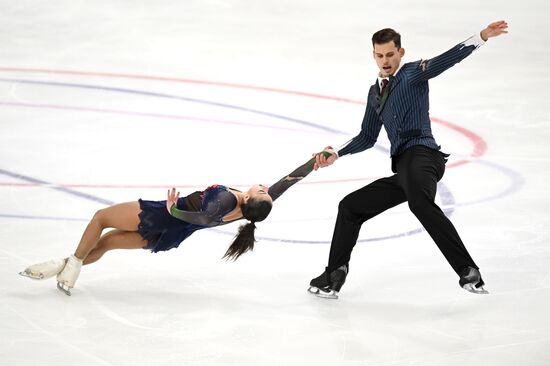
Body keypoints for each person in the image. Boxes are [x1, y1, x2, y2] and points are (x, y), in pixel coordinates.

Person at [308, 21, 509, 299]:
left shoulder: (413, 73)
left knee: (419, 203)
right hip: (404, 170)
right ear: (373, 55)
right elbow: (367, 136)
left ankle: (467, 270)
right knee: (351, 207)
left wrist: (481, 37)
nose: (385, 61)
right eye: (379, 55)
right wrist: (336, 153)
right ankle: (334, 273)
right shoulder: (374, 93)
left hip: (423, 156)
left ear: (400, 52)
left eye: (390, 54)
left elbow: (445, 61)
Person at [19, 153, 330, 296]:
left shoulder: (227, 202)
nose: (266, 187)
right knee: (109, 242)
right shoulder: (252, 208)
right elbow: (289, 180)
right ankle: (64, 266)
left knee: (101, 218)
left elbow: (203, 217)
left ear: (250, 199)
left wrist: (172, 209)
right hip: (172, 234)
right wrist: (316, 161)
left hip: (164, 217)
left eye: (264, 191)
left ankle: (71, 262)